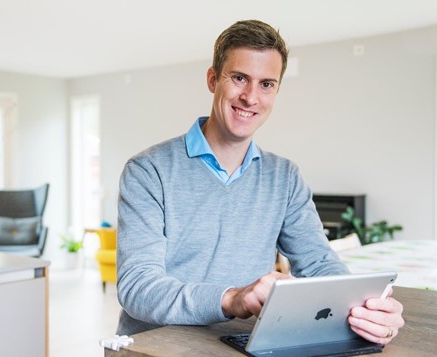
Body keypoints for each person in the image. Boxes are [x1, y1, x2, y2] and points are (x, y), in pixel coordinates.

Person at [115, 19, 404, 344]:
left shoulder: (284, 177)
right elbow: (138, 287)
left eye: (266, 84)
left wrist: (366, 309)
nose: (251, 97)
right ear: (213, 80)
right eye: (239, 78)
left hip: (239, 345)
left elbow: (318, 263)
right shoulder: (148, 170)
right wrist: (232, 298)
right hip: (155, 347)